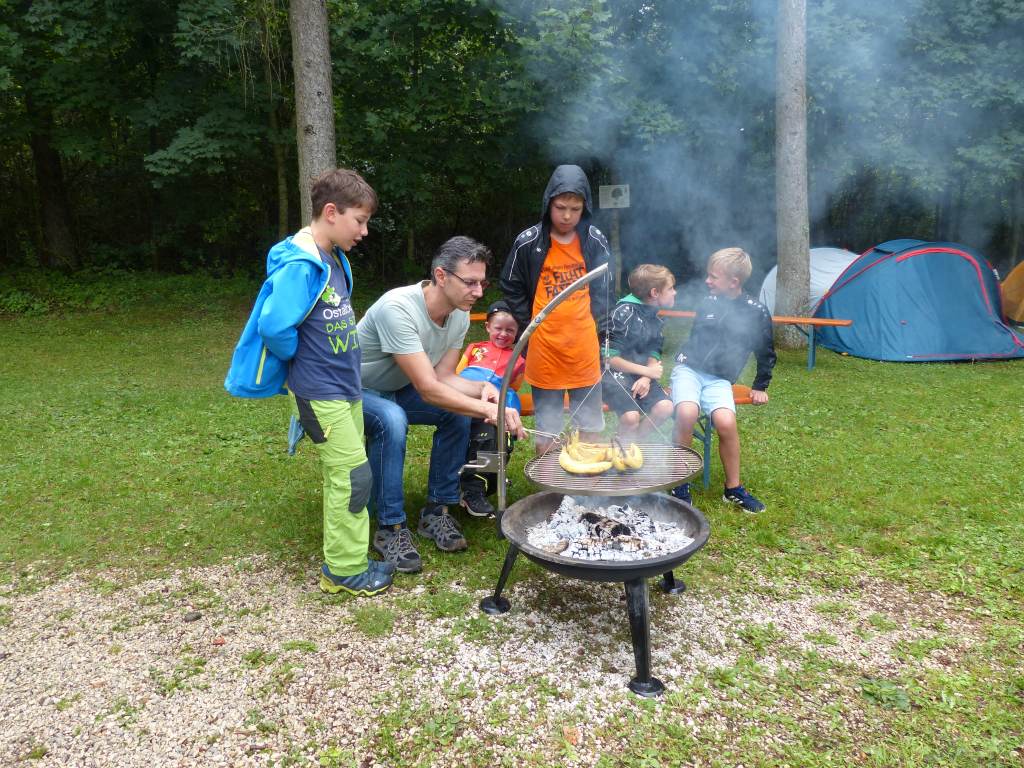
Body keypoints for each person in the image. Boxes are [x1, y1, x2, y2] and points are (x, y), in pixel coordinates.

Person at [224, 168, 393, 597]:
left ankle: (347, 558)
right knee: (353, 477)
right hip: (321, 392)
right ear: (331, 213)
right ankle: (345, 570)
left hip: (345, 387)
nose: (364, 231)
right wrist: (303, 360)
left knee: (346, 477)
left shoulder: (332, 258)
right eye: (360, 220)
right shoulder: (301, 266)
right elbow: (274, 326)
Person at [358, 237, 526, 573]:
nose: (478, 292)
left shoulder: (458, 314)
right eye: (470, 282)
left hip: (397, 387)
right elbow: (428, 388)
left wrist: (482, 388)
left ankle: (438, 510)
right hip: (353, 390)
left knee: (456, 412)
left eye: (482, 283)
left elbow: (444, 376)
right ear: (441, 276)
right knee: (391, 419)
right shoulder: (398, 308)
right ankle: (390, 527)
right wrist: (488, 410)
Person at [500, 164, 612, 454]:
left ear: (585, 208)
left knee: (590, 427)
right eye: (560, 207)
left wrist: (595, 324)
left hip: (583, 348)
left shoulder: (595, 239)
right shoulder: (528, 241)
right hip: (545, 349)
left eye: (575, 209)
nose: (567, 216)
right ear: (548, 203)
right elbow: (510, 283)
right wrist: (530, 323)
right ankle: (549, 480)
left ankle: (587, 479)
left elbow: (605, 289)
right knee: (547, 429)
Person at [669, 247, 776, 513]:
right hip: (689, 370)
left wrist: (760, 386)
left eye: (713, 277)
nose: (707, 281)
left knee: (727, 423)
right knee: (687, 413)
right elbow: (695, 339)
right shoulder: (708, 302)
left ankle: (733, 489)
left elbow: (765, 351)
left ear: (733, 282)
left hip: (719, 380)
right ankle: (679, 482)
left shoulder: (756, 312)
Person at [455, 300, 526, 517]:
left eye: (510, 330)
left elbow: (514, 385)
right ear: (487, 327)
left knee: (496, 438)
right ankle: (467, 485)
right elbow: (457, 374)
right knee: (471, 434)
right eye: (498, 328)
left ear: (517, 332)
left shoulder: (518, 358)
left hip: (497, 404)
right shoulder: (474, 348)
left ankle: (478, 487)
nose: (503, 334)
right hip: (467, 397)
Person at [600, 264, 677, 441]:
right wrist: (647, 371)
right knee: (630, 417)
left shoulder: (656, 316)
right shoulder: (622, 313)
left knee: (665, 407)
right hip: (612, 376)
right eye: (671, 288)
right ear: (655, 293)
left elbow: (654, 350)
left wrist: (646, 378)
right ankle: (625, 448)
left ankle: (633, 445)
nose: (674, 292)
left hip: (641, 376)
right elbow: (609, 359)